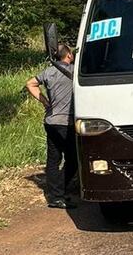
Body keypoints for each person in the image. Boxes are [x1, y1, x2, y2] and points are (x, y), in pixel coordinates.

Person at [25, 43, 78, 209]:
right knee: (74, 159)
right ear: (68, 55)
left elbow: (30, 83)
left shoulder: (49, 71)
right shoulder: (74, 71)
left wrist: (45, 102)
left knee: (53, 159)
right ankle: (59, 192)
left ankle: (55, 196)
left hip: (50, 121)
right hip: (66, 123)